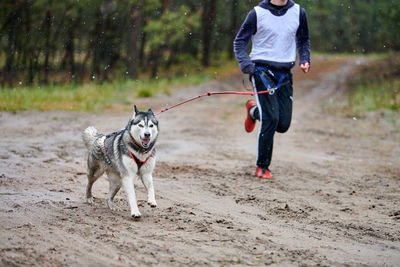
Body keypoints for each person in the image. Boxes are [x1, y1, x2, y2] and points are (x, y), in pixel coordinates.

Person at [233, 0, 310, 179]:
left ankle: (253, 111)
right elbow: (240, 41)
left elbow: (303, 38)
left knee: (282, 124)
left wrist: (305, 58)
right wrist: (247, 65)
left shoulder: (299, 12)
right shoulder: (257, 13)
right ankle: (262, 166)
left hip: (285, 74)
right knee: (271, 118)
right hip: (261, 71)